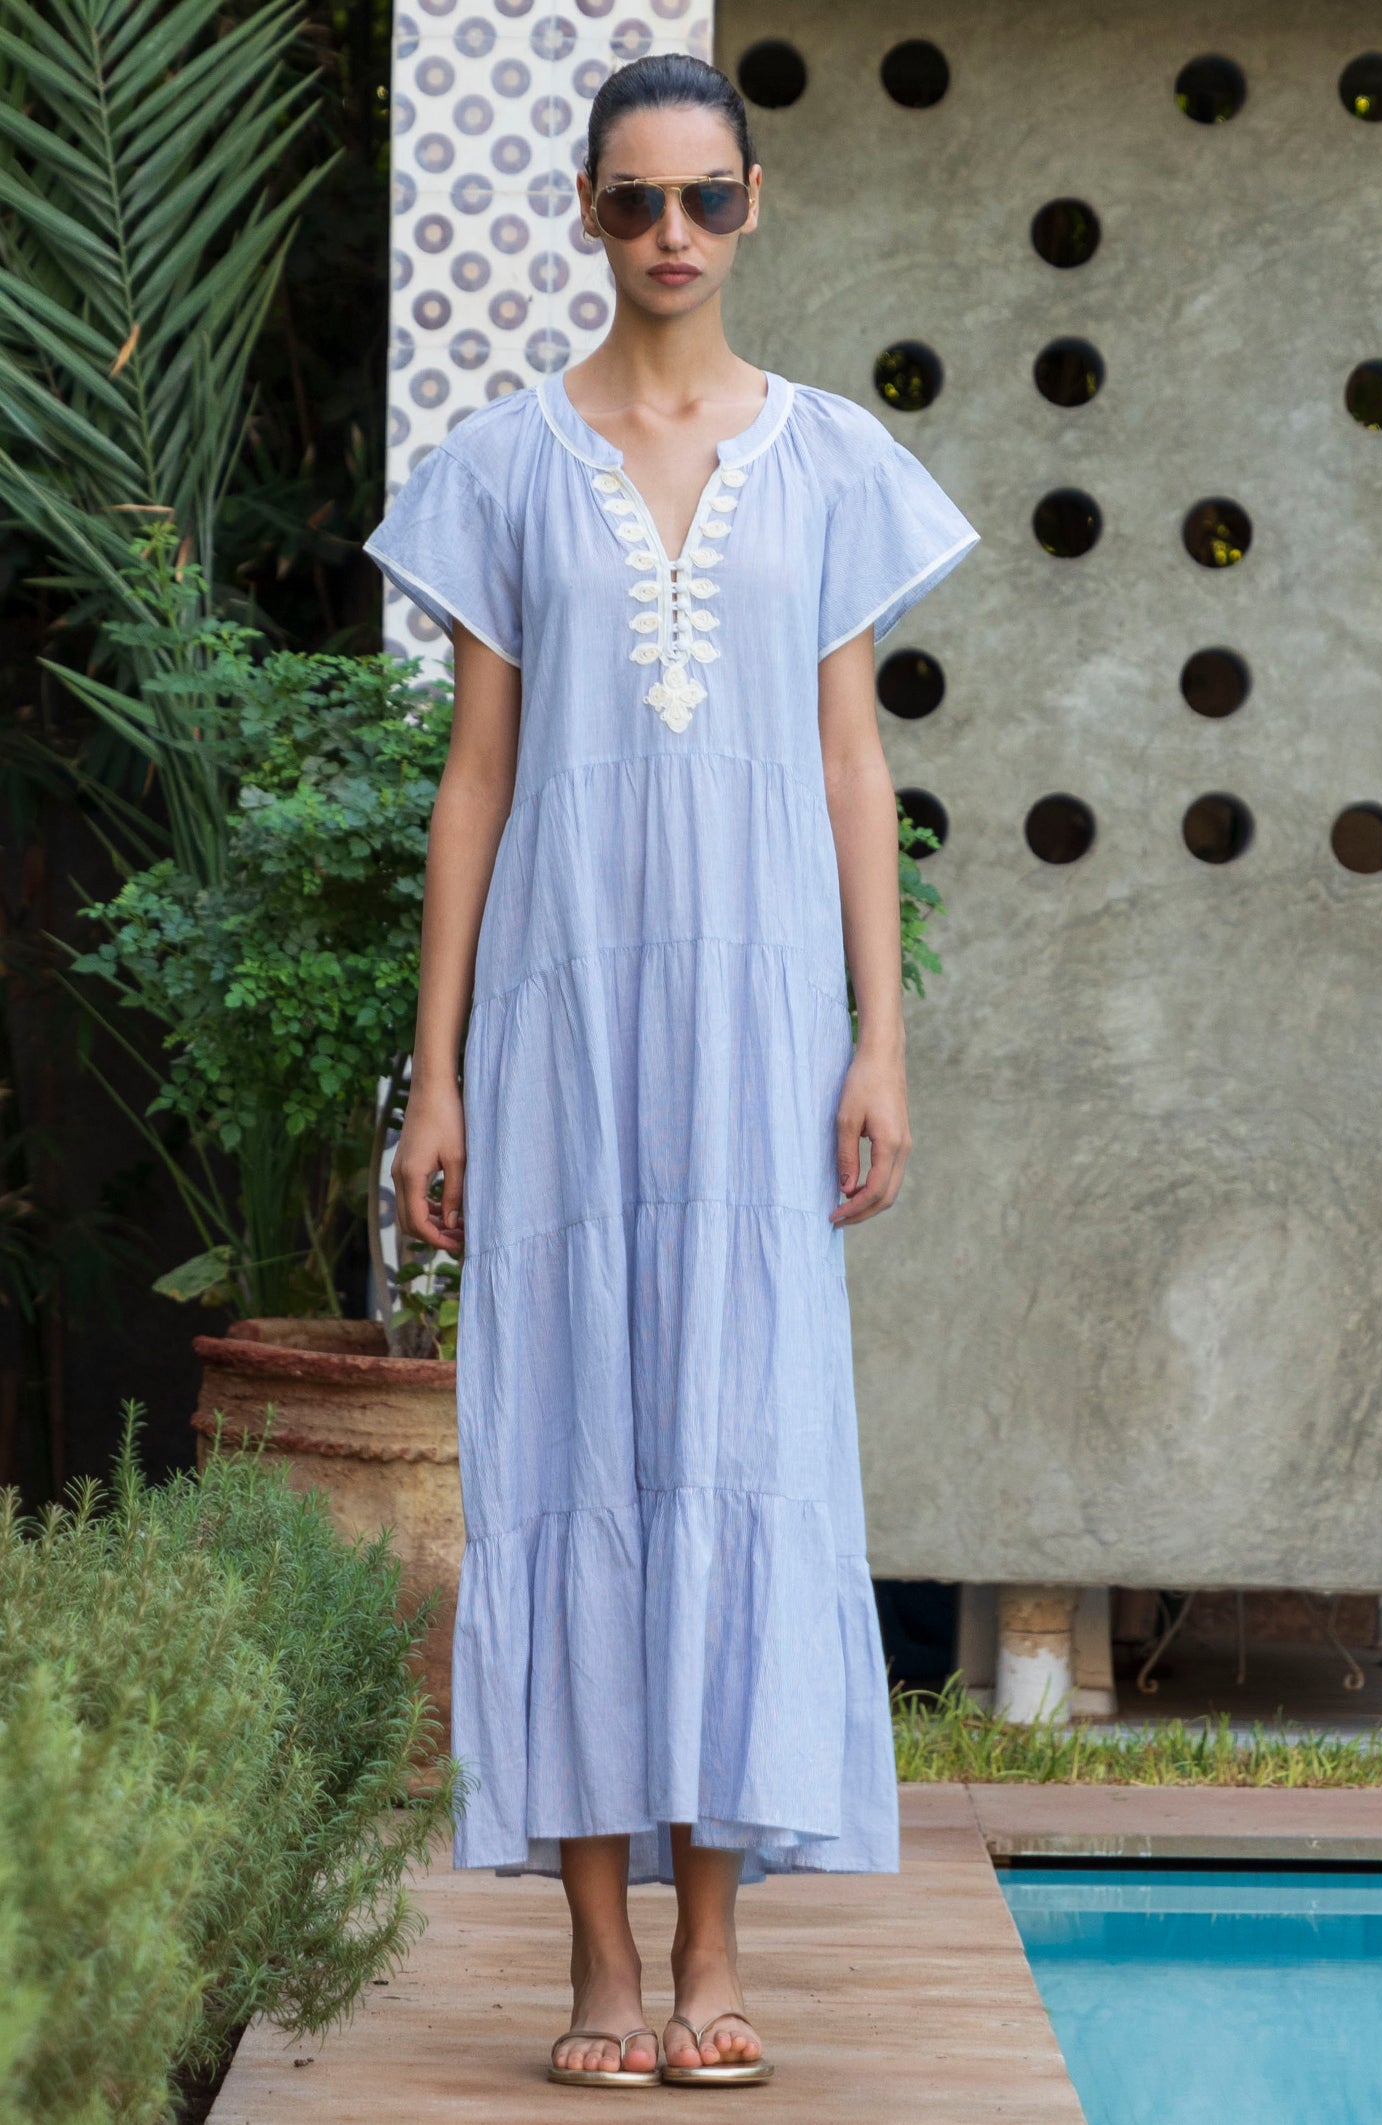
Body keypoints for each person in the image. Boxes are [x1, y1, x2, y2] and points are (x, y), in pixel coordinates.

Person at [362, 50, 979, 2089]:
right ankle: (597, 1968)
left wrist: (876, 1035)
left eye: (702, 200)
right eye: (631, 204)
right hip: (559, 1031)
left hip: (758, 1038)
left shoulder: (822, 462)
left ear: (754, 202)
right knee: (570, 1454)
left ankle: (719, 1953)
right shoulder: (504, 466)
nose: (669, 240)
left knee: (735, 1441)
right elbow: (475, 781)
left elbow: (847, 765)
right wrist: (433, 1076)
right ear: (582, 211)